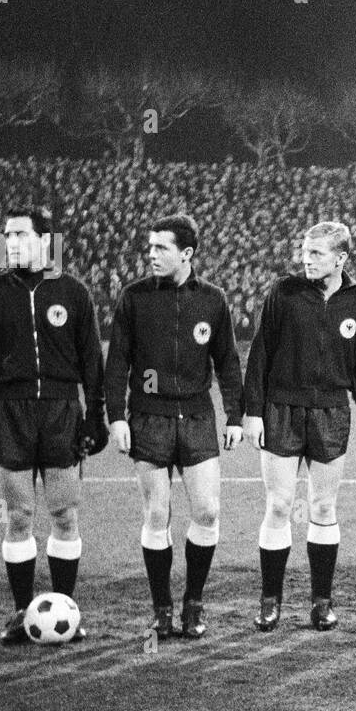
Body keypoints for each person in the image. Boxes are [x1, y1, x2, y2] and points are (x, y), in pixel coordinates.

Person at [0, 206, 108, 643]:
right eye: (6, 236)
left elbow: (91, 361)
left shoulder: (74, 292)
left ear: (46, 241)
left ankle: (66, 610)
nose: (10, 243)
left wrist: (95, 415)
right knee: (19, 517)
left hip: (62, 413)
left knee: (65, 515)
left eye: (20, 235)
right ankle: (20, 612)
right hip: (9, 412)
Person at [104, 213, 243, 640]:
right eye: (150, 247)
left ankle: (193, 602)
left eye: (161, 247)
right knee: (157, 513)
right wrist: (116, 416)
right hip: (149, 416)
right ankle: (162, 607)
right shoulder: (134, 297)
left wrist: (235, 415)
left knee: (207, 511)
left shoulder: (214, 299)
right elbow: (117, 363)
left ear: (186, 253)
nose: (152, 254)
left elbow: (228, 363)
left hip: (198, 415)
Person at [243, 221, 356, 631]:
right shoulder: (284, 292)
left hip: (332, 412)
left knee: (322, 507)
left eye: (316, 253)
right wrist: (252, 411)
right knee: (280, 505)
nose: (307, 259)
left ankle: (322, 601)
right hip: (282, 408)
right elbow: (260, 351)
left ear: (340, 258)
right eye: (305, 251)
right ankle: (271, 601)